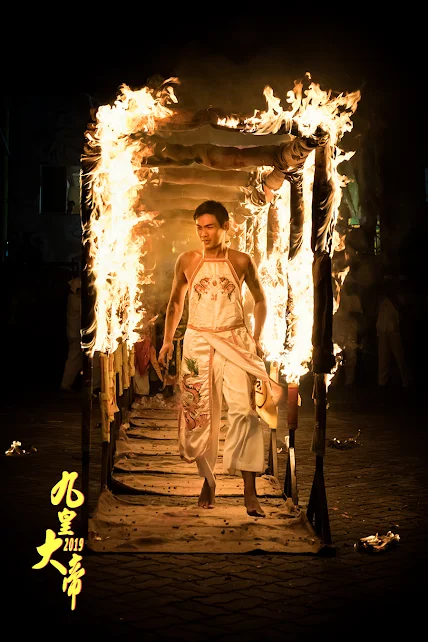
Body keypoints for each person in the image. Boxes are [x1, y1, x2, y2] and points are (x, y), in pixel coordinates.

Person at [158, 200, 272, 518]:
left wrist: (257, 337)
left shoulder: (241, 260)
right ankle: (208, 481)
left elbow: (261, 301)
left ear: (226, 227)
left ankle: (250, 492)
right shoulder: (188, 260)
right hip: (196, 343)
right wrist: (168, 340)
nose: (203, 233)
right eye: (199, 227)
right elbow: (174, 304)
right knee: (199, 418)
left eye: (209, 226)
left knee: (245, 413)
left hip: (235, 340)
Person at [376, 276, 413, 389]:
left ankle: (405, 381)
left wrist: (392, 298)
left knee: (399, 357)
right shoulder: (381, 300)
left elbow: (402, 310)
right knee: (383, 358)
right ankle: (382, 383)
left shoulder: (398, 298)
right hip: (382, 331)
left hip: (394, 332)